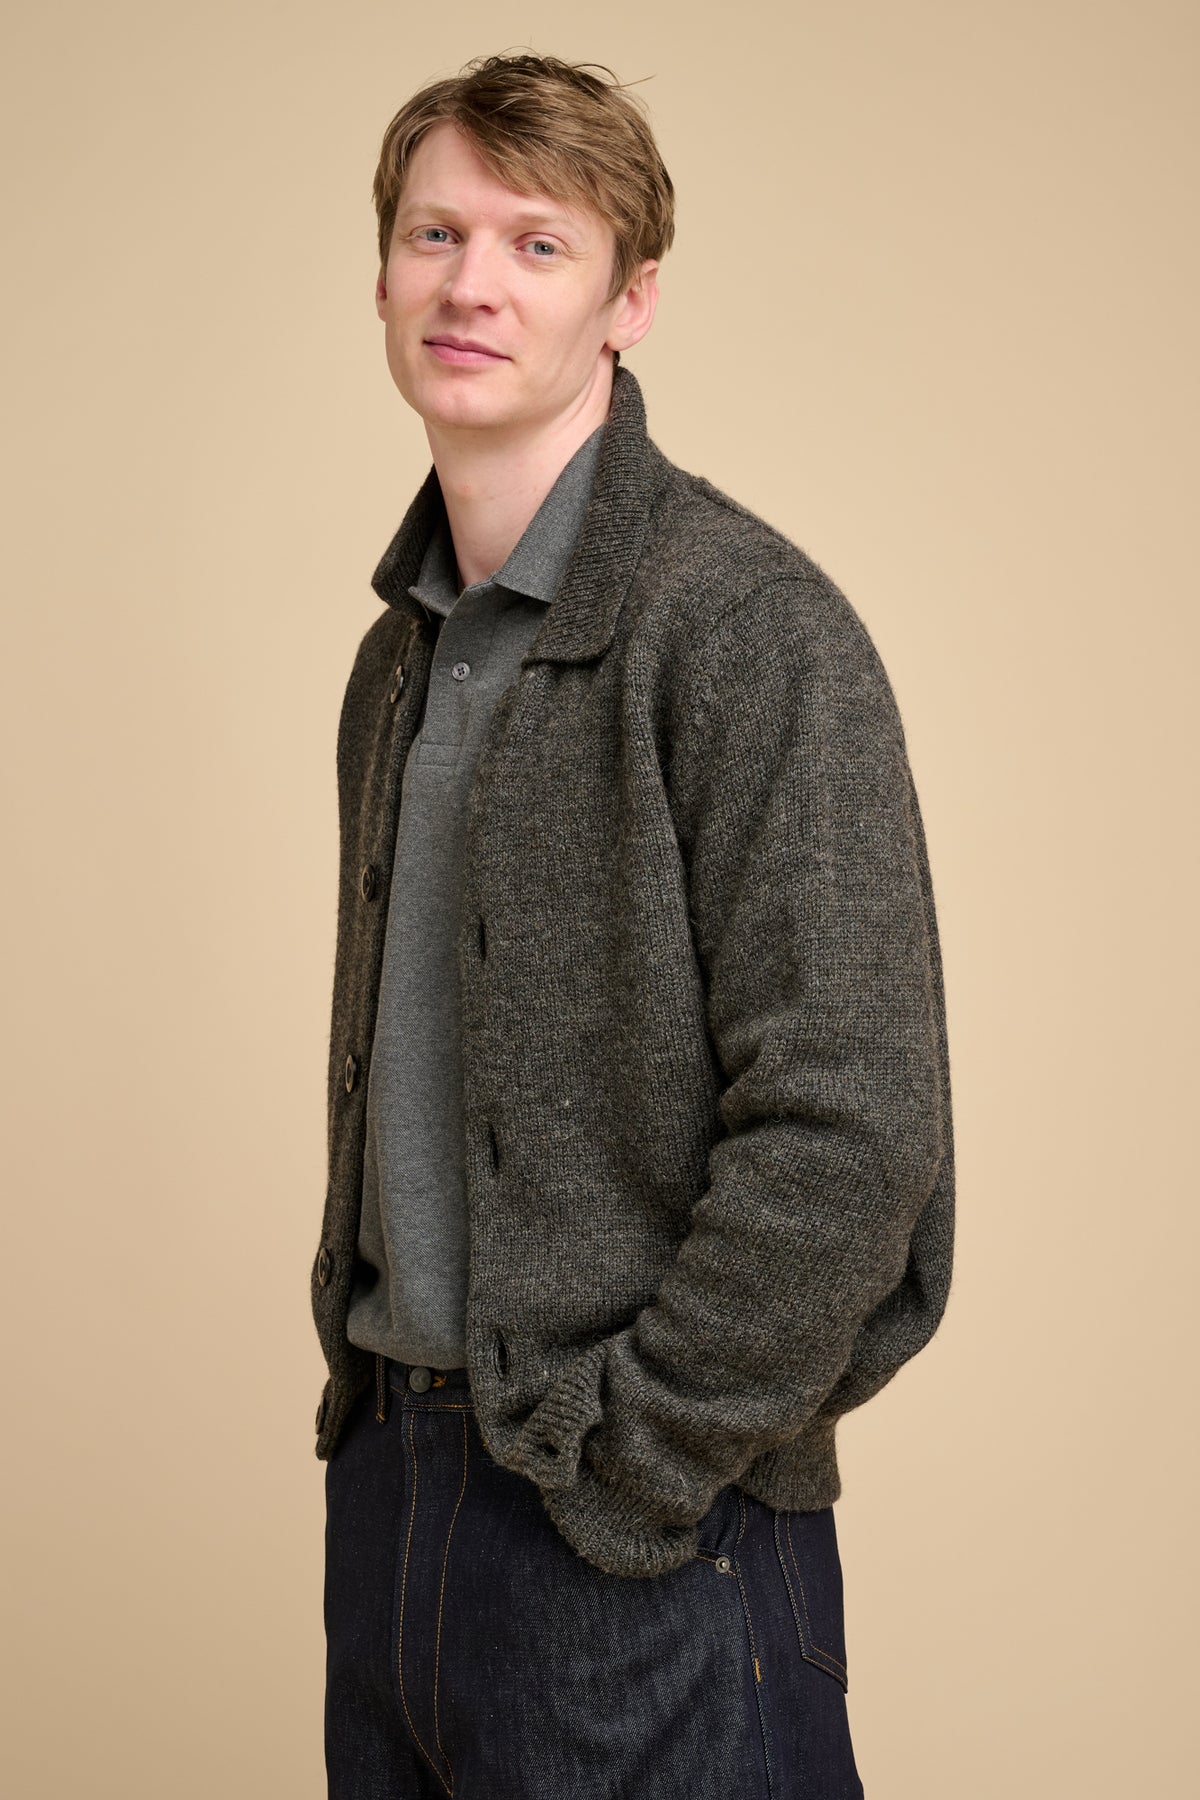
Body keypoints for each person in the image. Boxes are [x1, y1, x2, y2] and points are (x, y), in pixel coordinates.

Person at [312, 50, 954, 1800]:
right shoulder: (402, 660)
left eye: (537, 243)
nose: (469, 283)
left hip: (637, 1543)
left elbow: (853, 1124)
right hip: (395, 1507)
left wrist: (633, 1462)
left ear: (630, 300)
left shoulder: (746, 628)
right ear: (381, 275)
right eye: (436, 232)